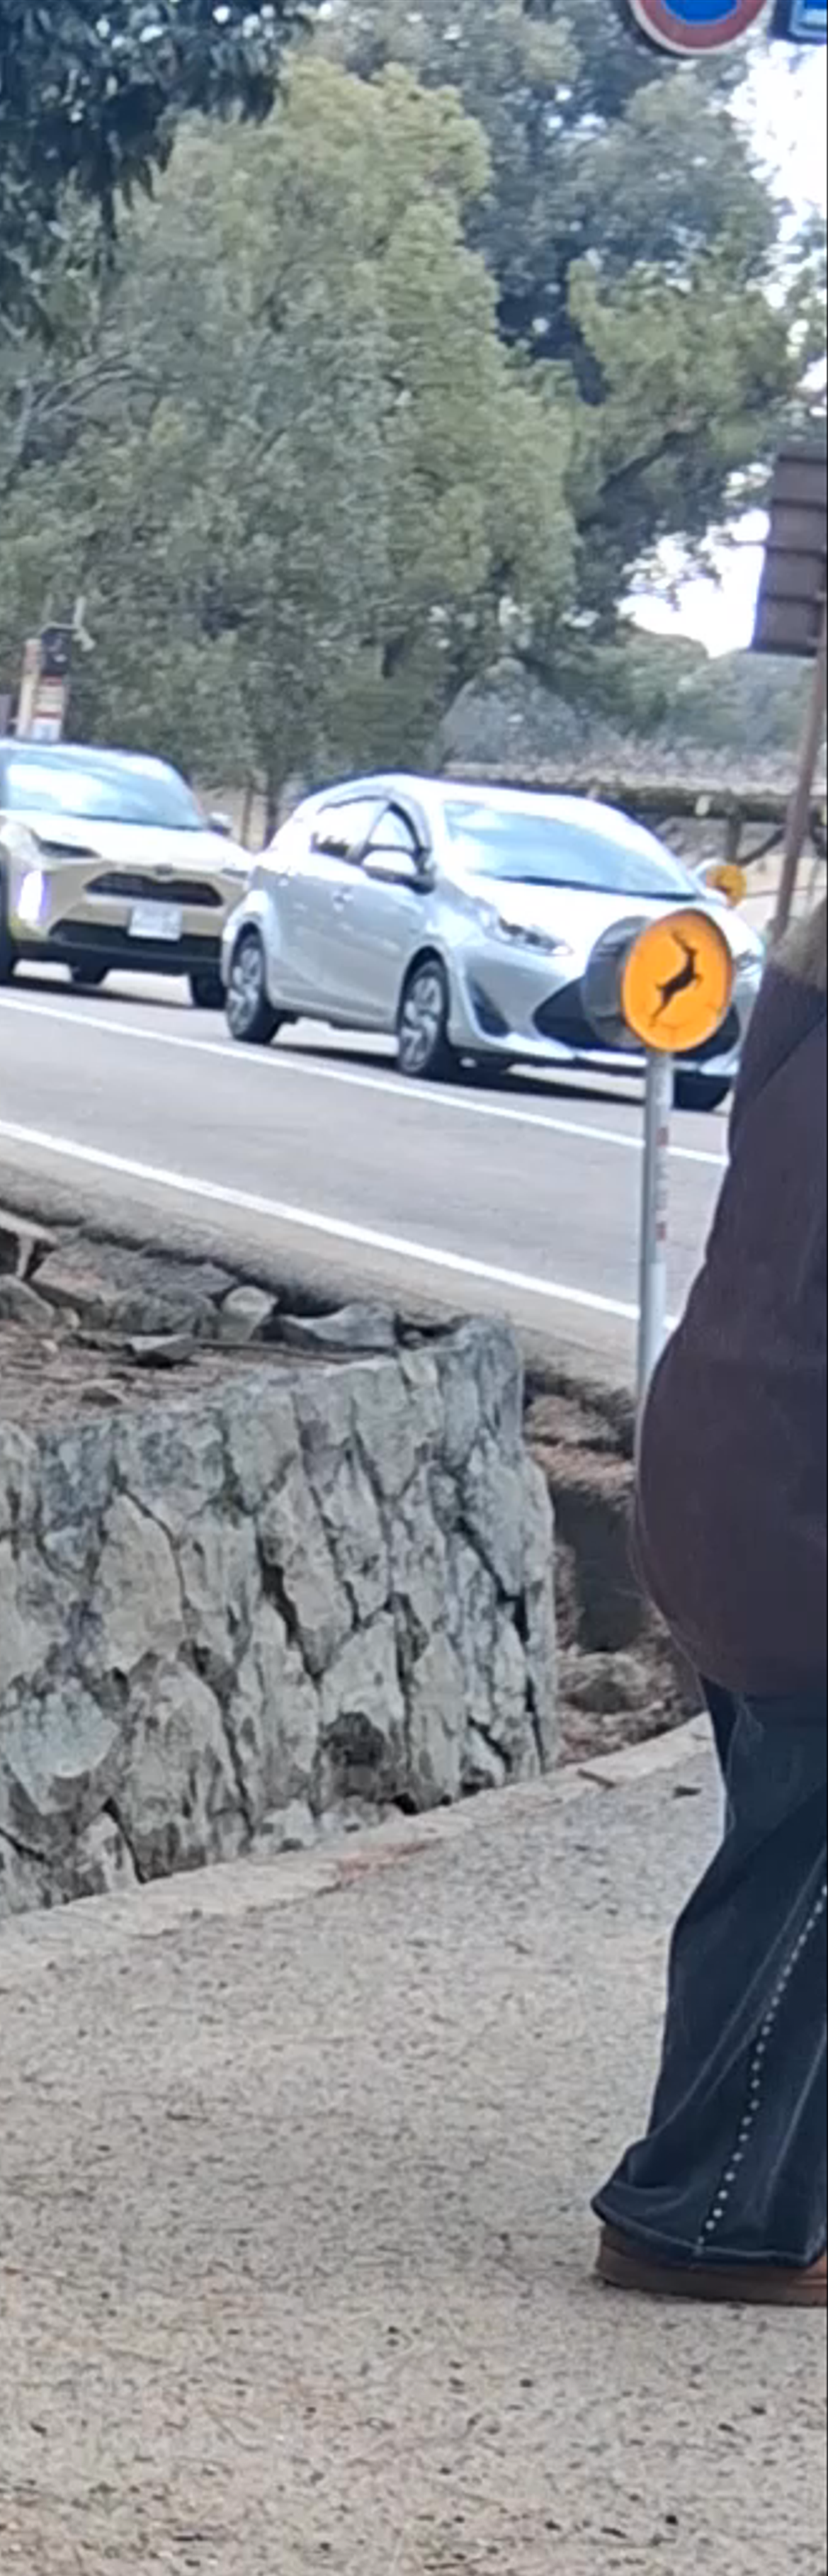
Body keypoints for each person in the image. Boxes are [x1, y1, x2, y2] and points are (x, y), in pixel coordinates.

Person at [593, 886, 827, 2306]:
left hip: (725, 1471)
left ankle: (754, 2184)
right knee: (801, 1875)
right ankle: (708, 2212)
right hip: (795, 1503)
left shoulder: (800, 1028)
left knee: (782, 1855)